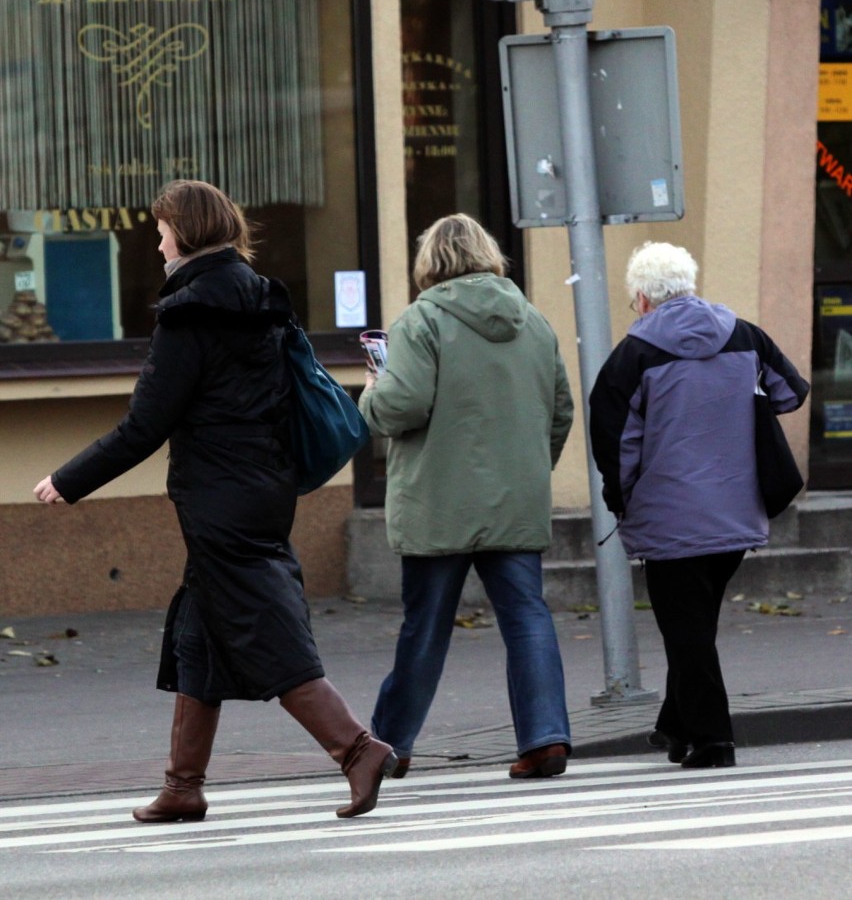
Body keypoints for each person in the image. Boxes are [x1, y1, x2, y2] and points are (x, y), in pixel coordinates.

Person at [33, 179, 396, 822]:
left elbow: (145, 425)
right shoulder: (263, 300)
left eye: (163, 229)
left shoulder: (188, 314)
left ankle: (356, 749)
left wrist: (69, 479)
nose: (157, 242)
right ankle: (182, 785)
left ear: (188, 232)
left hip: (222, 501)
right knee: (201, 630)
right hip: (263, 486)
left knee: (269, 635)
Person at [359, 213, 575, 780]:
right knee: (527, 617)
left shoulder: (421, 321)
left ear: (430, 261)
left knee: (425, 625)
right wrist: (529, 469)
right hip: (515, 499)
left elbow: (401, 406)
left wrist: (370, 394)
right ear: (489, 255)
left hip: (438, 500)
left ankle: (389, 744)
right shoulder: (534, 322)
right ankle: (545, 737)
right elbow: (561, 410)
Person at [589, 241, 809, 769]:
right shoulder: (744, 334)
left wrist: (619, 503)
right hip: (737, 509)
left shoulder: (631, 357)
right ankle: (675, 726)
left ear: (642, 297)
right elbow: (790, 393)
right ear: (688, 284)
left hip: (669, 518)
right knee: (695, 627)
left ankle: (713, 739)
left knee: (687, 632)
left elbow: (615, 448)